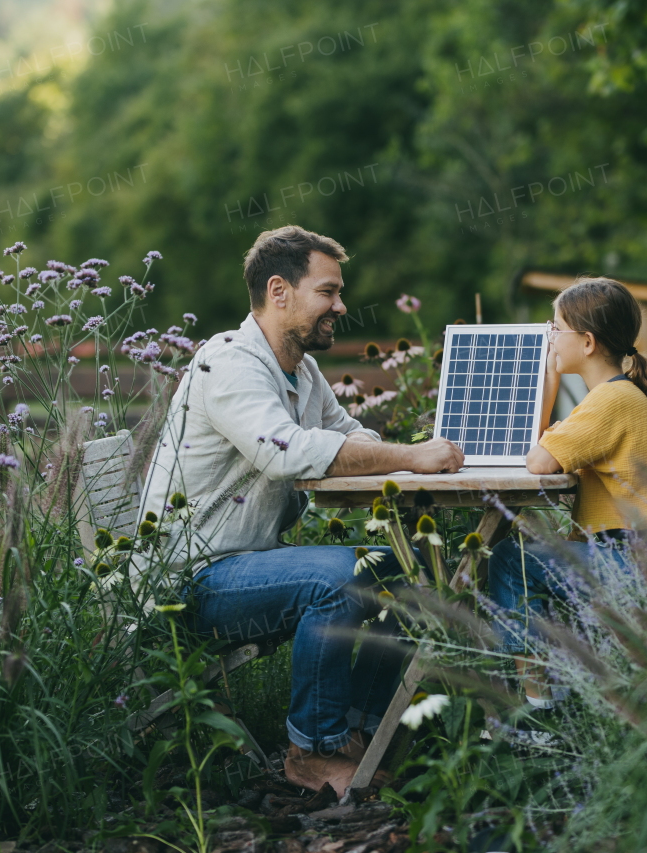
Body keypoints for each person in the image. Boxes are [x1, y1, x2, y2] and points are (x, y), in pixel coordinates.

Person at [139, 225, 464, 798]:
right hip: (191, 580)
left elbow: (348, 435)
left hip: (248, 565)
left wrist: (422, 458)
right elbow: (285, 450)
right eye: (328, 291)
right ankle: (310, 752)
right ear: (279, 291)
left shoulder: (302, 372)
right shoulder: (229, 364)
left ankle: (357, 734)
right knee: (339, 580)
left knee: (410, 567)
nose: (341, 305)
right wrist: (411, 455)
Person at [486, 276, 647, 712]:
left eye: (556, 328)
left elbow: (539, 459)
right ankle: (557, 694)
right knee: (528, 560)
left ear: (588, 342)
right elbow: (546, 447)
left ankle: (541, 708)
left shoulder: (609, 401)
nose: (549, 337)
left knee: (507, 561)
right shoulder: (613, 395)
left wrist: (549, 379)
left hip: (642, 560)